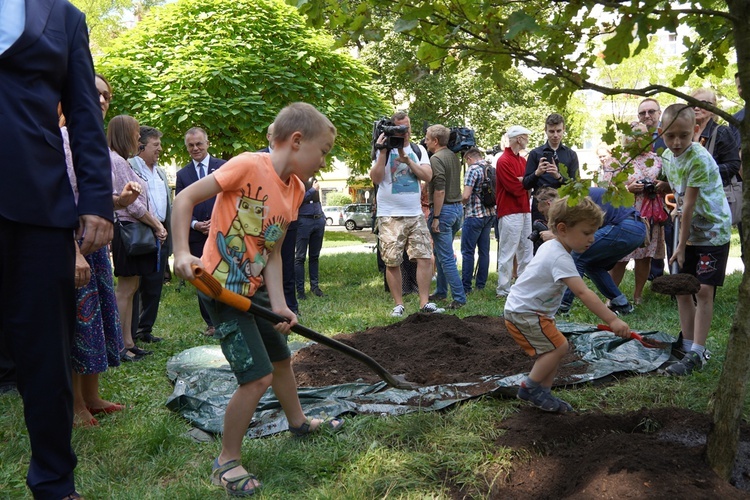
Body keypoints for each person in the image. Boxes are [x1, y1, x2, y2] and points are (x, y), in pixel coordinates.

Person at [172, 102, 344, 497]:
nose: (323, 160)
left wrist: (281, 303)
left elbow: (274, 251)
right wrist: (182, 251)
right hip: (220, 290)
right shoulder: (248, 166)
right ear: (297, 141)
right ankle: (226, 461)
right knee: (258, 376)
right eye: (324, 151)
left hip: (256, 291)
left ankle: (297, 422)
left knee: (281, 358)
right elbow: (183, 200)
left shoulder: (297, 189)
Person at [0, 1, 114, 497]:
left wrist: (95, 200)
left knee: (46, 355)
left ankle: (54, 483)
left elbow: (85, 116)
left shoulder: (63, 17)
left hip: (38, 206)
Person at [504, 196, 631, 413]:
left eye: (594, 232)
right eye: (586, 233)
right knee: (559, 347)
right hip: (526, 312)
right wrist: (613, 319)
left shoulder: (554, 245)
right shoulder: (559, 257)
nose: (592, 238)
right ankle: (530, 387)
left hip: (530, 310)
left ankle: (543, 392)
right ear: (562, 229)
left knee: (553, 349)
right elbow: (583, 292)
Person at [66, 75, 140, 428]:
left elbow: (88, 198)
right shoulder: (64, 137)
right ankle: (75, 404)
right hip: (72, 245)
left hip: (94, 247)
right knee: (77, 326)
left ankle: (92, 397)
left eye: (107, 95)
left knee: (95, 322)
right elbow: (59, 199)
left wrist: (120, 200)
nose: (101, 100)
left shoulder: (90, 139)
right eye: (93, 92)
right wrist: (74, 253)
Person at [659, 104, 732, 376]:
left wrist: (679, 246)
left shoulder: (698, 158)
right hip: (688, 231)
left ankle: (698, 352)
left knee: (702, 290)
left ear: (696, 131)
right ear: (661, 133)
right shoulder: (667, 157)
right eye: (670, 136)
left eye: (684, 135)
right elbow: (679, 197)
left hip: (711, 232)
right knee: (681, 287)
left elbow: (688, 206)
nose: (677, 142)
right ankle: (688, 346)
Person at [370, 111, 443, 317]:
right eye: (401, 128)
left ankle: (424, 302)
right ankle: (398, 304)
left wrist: (408, 161)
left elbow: (428, 175)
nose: (406, 131)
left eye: (408, 127)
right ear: (393, 128)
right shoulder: (383, 148)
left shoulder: (418, 150)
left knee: (425, 257)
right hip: (390, 215)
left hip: (415, 213)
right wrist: (383, 152)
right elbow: (376, 179)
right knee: (392, 260)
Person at [109, 115, 168, 362]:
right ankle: (121, 346)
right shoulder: (119, 162)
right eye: (135, 133)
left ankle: (129, 343)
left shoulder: (119, 161)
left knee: (132, 287)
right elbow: (132, 206)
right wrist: (157, 225)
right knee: (125, 289)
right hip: (128, 232)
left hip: (131, 232)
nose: (138, 139)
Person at [558, 186, 646, 315]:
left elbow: (582, 229)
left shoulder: (574, 201)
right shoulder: (582, 194)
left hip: (624, 226)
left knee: (578, 255)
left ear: (550, 203)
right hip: (637, 230)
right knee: (593, 265)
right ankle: (622, 304)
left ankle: (563, 306)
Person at [176, 127, 227, 335]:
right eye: (191, 145)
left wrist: (216, 223)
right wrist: (195, 224)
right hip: (197, 234)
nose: (195, 148)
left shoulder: (223, 167)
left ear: (207, 144)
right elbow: (180, 204)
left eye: (199, 144)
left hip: (222, 232)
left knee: (223, 274)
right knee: (201, 277)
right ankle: (211, 322)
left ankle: (227, 317)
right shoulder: (182, 174)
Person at [609, 123, 666, 306]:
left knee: (645, 256)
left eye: (642, 135)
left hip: (650, 212)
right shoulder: (617, 159)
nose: (638, 139)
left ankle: (638, 296)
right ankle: (611, 296)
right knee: (620, 257)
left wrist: (659, 185)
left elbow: (667, 183)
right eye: (634, 135)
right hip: (626, 213)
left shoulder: (657, 159)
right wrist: (628, 188)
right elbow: (607, 188)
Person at [130, 126, 172, 344]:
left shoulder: (160, 171)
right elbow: (132, 204)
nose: (160, 149)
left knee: (155, 284)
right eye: (156, 145)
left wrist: (163, 227)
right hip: (140, 230)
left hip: (161, 232)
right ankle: (130, 331)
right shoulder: (130, 167)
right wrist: (155, 225)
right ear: (141, 146)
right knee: (136, 284)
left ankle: (145, 329)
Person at [690, 88, 743, 252]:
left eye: (703, 104)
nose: (697, 107)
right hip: (692, 203)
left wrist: (707, 172)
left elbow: (734, 165)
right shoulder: (685, 134)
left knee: (711, 252)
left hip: (717, 202)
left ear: (714, 108)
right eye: (693, 103)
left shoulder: (722, 132)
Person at [259, 123, 300, 315]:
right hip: (261, 223)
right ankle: (266, 304)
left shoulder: (295, 167)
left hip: (286, 222)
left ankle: (289, 304)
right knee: (263, 260)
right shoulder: (254, 161)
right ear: (269, 137)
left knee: (287, 262)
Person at [426, 124, 466, 309]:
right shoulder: (453, 156)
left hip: (444, 210)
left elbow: (440, 190)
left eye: (427, 138)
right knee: (440, 253)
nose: (425, 141)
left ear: (435, 141)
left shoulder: (436, 159)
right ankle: (441, 291)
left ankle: (459, 298)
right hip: (457, 210)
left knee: (446, 256)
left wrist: (436, 217)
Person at [522, 113, 579, 236]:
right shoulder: (535, 153)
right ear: (546, 131)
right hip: (541, 207)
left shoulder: (571, 154)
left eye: (559, 131)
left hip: (563, 205)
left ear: (564, 130)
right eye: (551, 131)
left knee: (564, 241)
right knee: (540, 244)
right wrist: (537, 173)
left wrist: (558, 176)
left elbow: (575, 185)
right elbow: (526, 184)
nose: (555, 135)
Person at [495, 125, 534, 298]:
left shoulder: (522, 161)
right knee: (508, 250)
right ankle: (503, 289)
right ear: (519, 139)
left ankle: (524, 286)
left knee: (527, 249)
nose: (527, 140)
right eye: (526, 137)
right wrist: (524, 182)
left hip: (524, 209)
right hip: (510, 210)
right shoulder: (504, 161)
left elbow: (528, 183)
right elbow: (514, 187)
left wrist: (524, 182)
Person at [460, 147, 495, 294]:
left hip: (474, 215)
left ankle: (466, 287)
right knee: (484, 251)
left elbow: (466, 195)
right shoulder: (490, 168)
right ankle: (480, 285)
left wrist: (458, 201)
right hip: (489, 214)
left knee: (468, 252)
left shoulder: (473, 170)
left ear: (468, 158)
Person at [295, 177, 326, 299]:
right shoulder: (297, 179)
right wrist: (313, 190)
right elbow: (297, 200)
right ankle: (300, 291)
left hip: (318, 220)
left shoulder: (313, 177)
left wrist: (322, 216)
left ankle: (315, 287)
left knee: (314, 257)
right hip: (304, 220)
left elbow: (316, 201)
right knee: (300, 257)